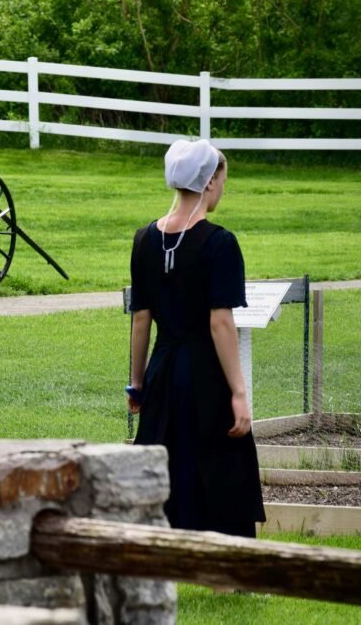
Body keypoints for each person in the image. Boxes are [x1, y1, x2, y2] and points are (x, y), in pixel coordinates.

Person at [126, 139, 265, 537]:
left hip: (164, 370)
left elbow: (141, 320)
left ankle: (166, 550)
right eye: (222, 180)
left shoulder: (144, 240)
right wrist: (239, 392)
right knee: (221, 461)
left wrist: (137, 385)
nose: (223, 188)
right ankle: (223, 567)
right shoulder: (220, 243)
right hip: (205, 371)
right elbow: (220, 323)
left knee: (168, 461)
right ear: (208, 183)